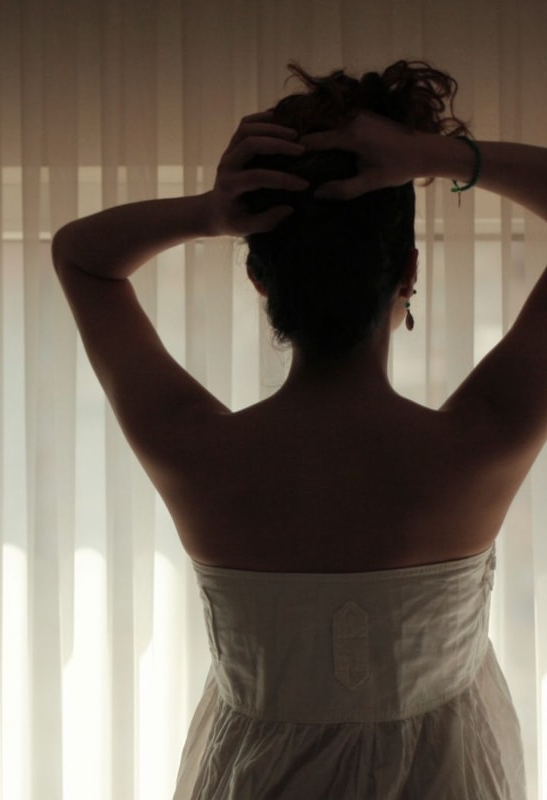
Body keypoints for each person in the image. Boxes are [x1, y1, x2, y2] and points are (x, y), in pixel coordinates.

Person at [51, 61, 547, 798]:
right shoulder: (480, 446)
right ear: (409, 272)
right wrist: (437, 156)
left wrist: (210, 212)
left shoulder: (194, 451)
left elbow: (81, 255)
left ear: (259, 277)